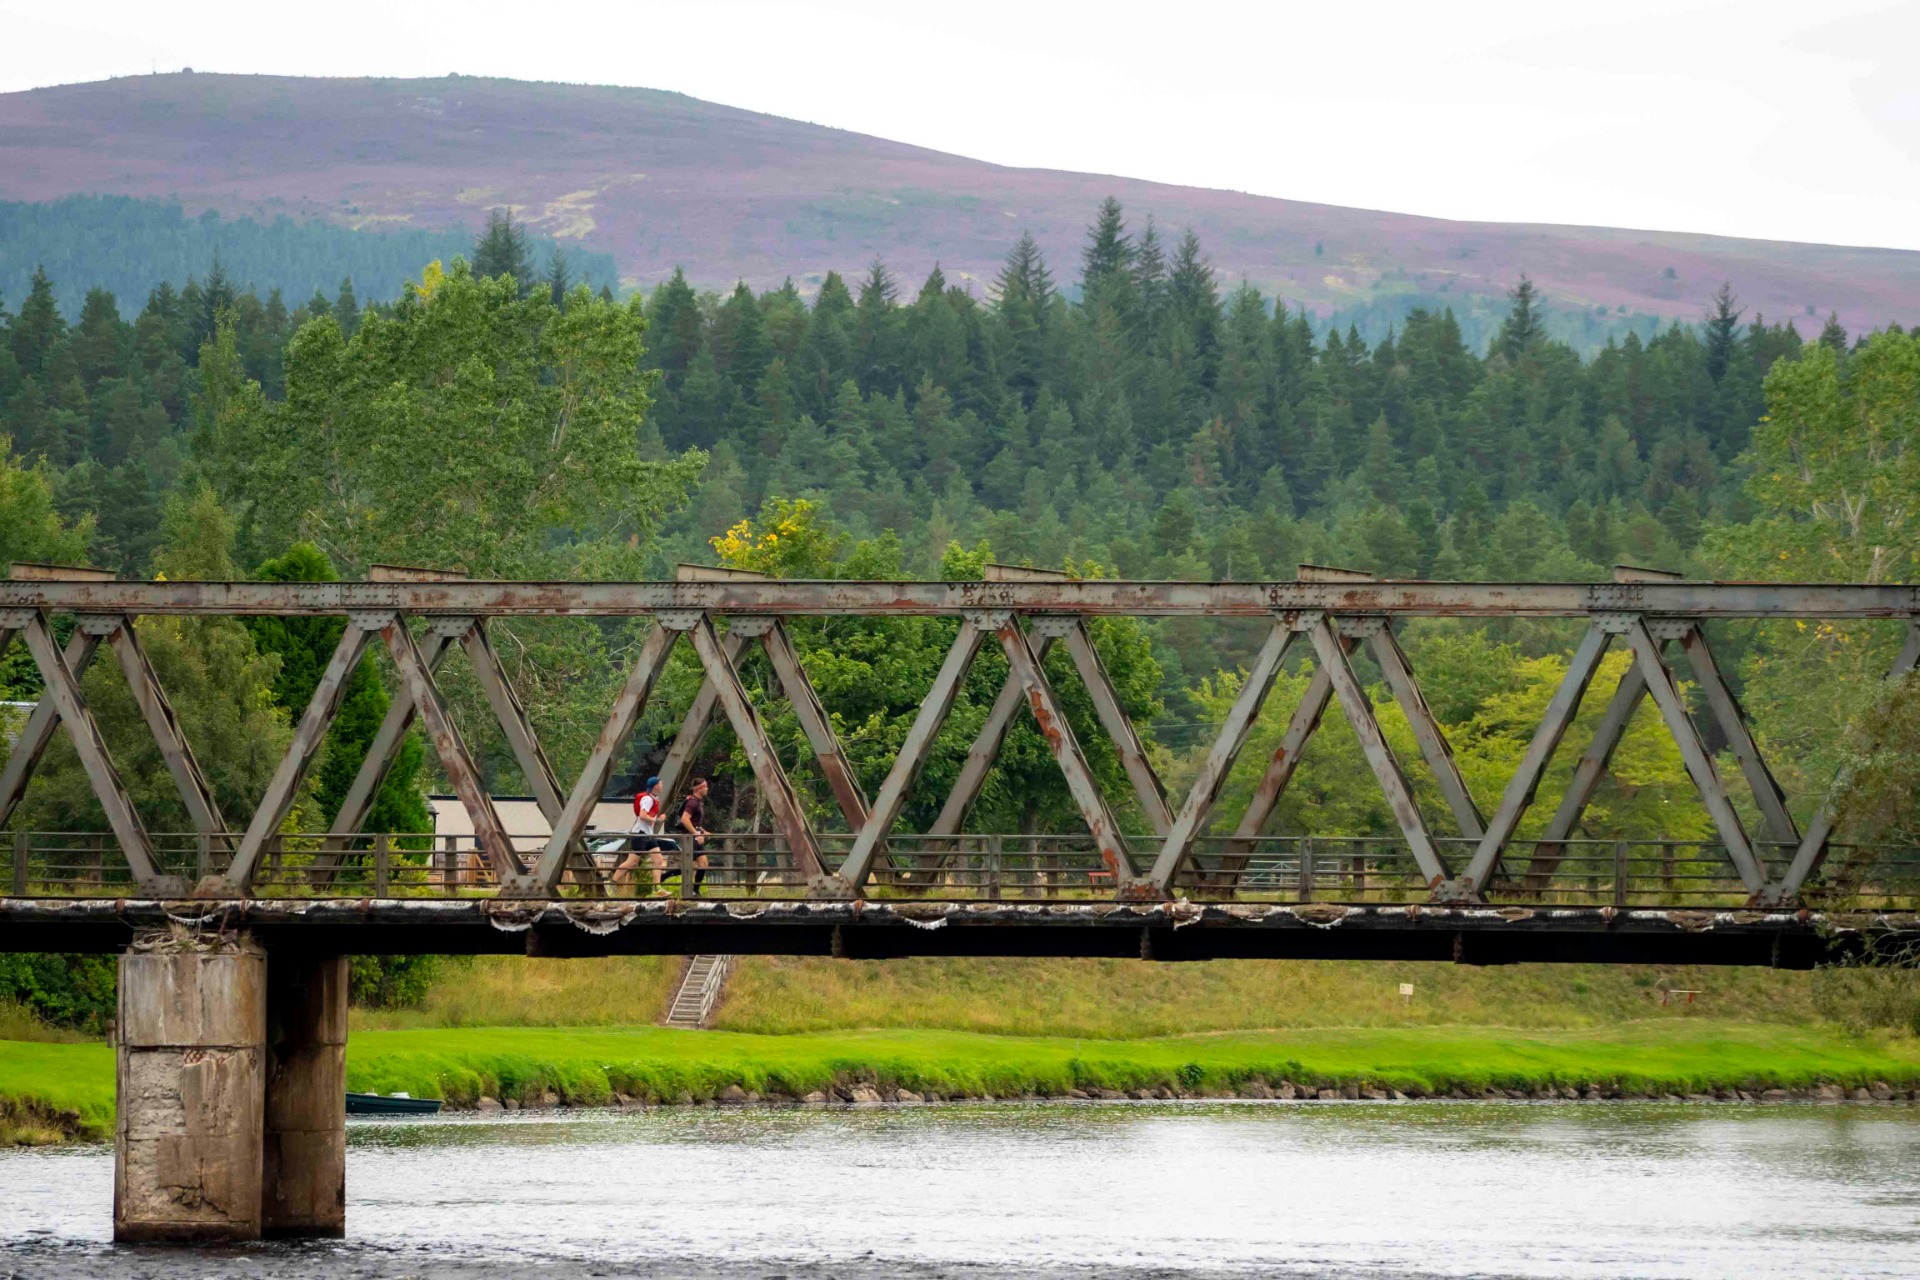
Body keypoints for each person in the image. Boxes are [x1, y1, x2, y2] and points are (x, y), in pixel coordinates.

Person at [612, 776, 674, 892]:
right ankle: (612, 882)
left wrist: (656, 819)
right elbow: (642, 815)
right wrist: (657, 820)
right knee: (632, 862)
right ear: (655, 786)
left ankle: (657, 888)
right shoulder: (648, 799)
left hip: (648, 834)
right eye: (660, 784)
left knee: (658, 860)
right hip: (640, 834)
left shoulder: (654, 798)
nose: (662, 786)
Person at [674, 777, 711, 894]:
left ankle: (695, 891)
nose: (707, 788)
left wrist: (703, 831)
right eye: (705, 786)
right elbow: (685, 819)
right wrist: (696, 834)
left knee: (703, 864)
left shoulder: (697, 802)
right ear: (699, 789)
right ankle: (663, 877)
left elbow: (694, 822)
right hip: (690, 838)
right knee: (687, 865)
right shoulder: (692, 802)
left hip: (695, 836)